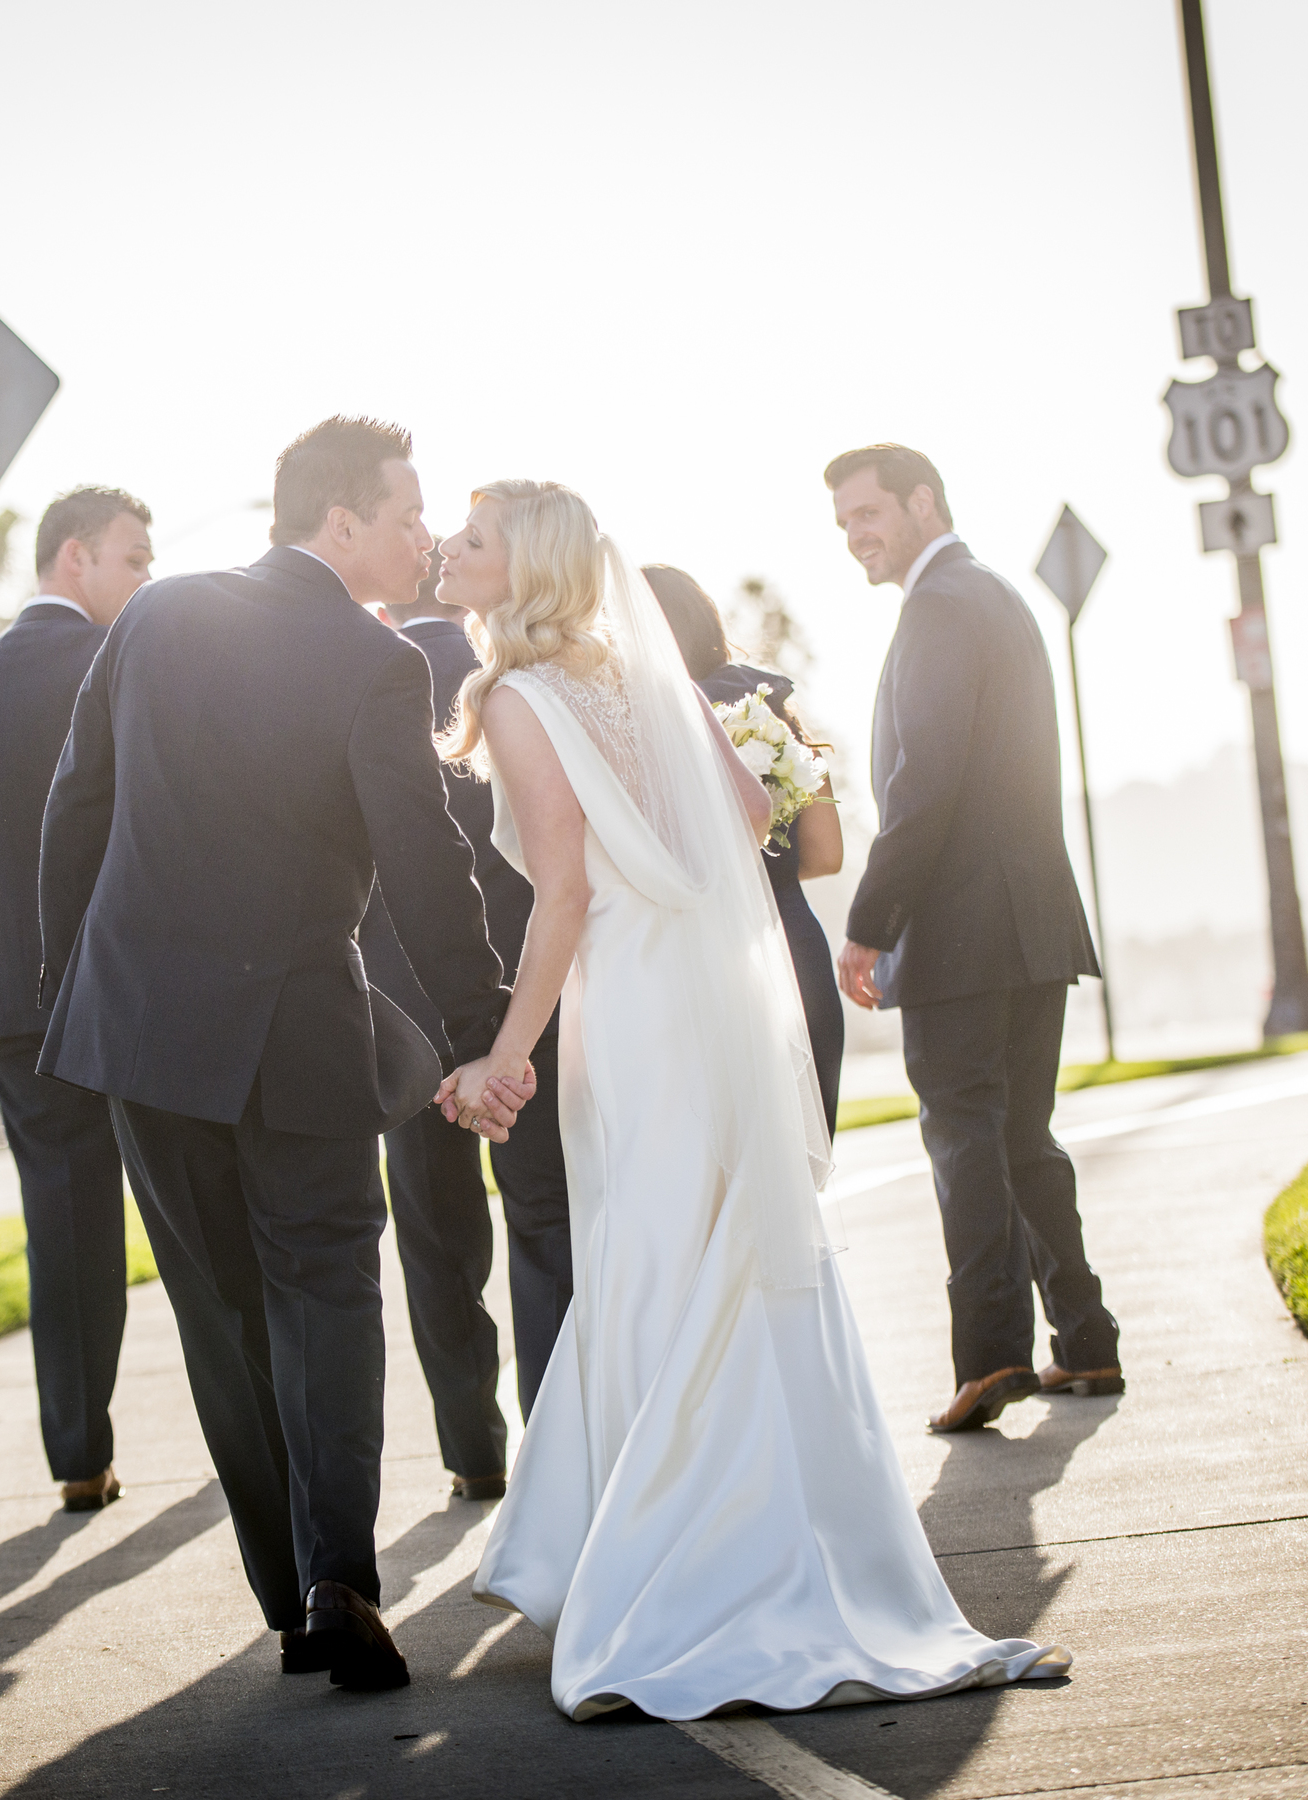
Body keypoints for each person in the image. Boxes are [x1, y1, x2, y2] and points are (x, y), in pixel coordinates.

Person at [447, 480, 1066, 1721]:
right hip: (704, 994)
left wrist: (506, 1050)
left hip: (626, 1001)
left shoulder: (518, 697)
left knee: (652, 1252)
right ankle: (740, 1543)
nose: (450, 556)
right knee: (723, 1246)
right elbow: (745, 812)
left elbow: (560, 895)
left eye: (472, 542)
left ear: (526, 572)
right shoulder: (639, 677)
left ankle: (666, 1570)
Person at [36, 417, 517, 1693]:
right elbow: (424, 858)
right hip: (296, 1029)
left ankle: (289, 1598)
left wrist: (68, 999)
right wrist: (481, 1029)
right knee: (325, 1291)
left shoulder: (151, 617)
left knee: (221, 1310)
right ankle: (338, 1575)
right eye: (409, 514)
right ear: (338, 522)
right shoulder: (373, 662)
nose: (425, 538)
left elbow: (75, 804)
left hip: (139, 1032)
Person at [823, 443, 1121, 1435]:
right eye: (844, 524)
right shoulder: (994, 596)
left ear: (922, 502)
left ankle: (990, 1353)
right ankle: (1084, 1341)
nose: (857, 536)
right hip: (1033, 921)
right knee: (1021, 1135)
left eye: (869, 513)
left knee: (963, 1141)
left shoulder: (939, 605)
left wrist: (868, 925)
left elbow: (926, 784)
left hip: (962, 934)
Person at [0, 484, 156, 1515]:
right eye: (134, 558)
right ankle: (257, 1436)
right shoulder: (127, 664)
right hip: (139, 988)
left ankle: (77, 1456)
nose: (149, 579)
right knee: (196, 1223)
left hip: (15, 995)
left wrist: (16, 896)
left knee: (63, 1230)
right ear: (73, 560)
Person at [360, 549, 574, 1502]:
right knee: (542, 1217)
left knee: (433, 1229)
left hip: (402, 1003)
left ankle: (472, 1448)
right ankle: (564, 1440)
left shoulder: (362, 678)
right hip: (525, 996)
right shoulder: (518, 681)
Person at [644, 564, 845, 1130]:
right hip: (796, 946)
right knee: (805, 1164)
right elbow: (828, 855)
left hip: (708, 965)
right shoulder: (773, 709)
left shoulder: (657, 721)